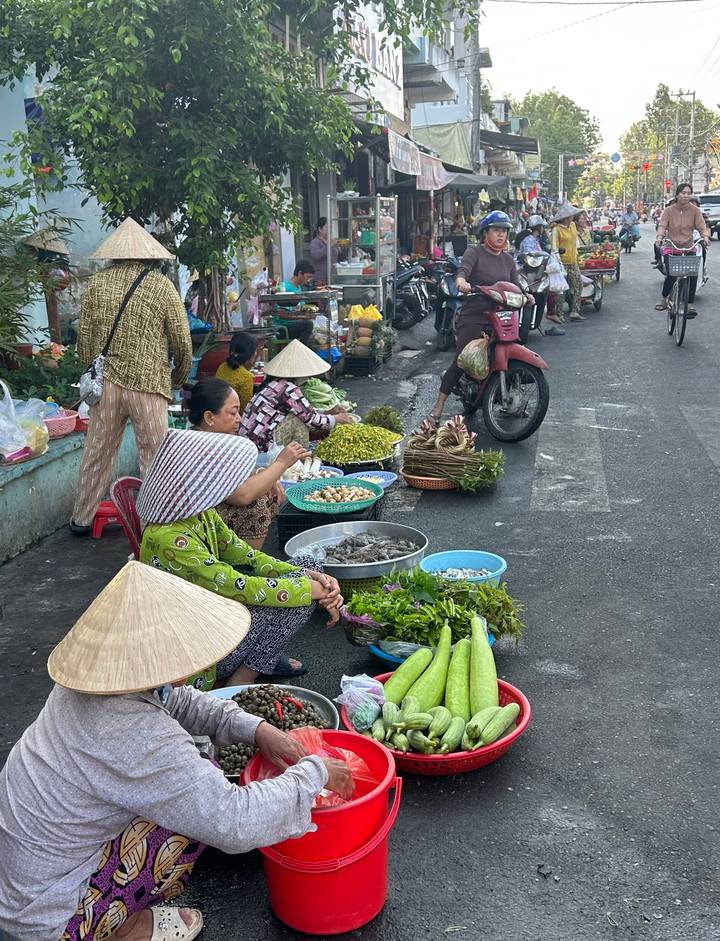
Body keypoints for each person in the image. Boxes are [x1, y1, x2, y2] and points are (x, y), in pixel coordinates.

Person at [0, 561, 352, 941]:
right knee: (193, 809)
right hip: (46, 917)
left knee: (191, 785)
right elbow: (233, 821)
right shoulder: (135, 734)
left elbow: (177, 700)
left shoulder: (98, 684)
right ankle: (120, 927)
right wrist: (314, 773)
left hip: (24, 875)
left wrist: (257, 728)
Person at [138, 429, 343, 684]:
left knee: (307, 565)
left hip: (218, 616)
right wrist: (307, 588)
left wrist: (314, 578)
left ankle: (257, 664)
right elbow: (238, 585)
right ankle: (240, 681)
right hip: (199, 650)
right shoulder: (168, 539)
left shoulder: (201, 515)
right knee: (297, 596)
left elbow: (249, 558)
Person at [71, 218, 192, 535]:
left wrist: (91, 374)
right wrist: (176, 380)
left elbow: (84, 341)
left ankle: (82, 518)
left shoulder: (97, 284)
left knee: (98, 451)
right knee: (154, 455)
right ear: (149, 254)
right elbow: (182, 342)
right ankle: (156, 522)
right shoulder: (161, 286)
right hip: (149, 385)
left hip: (107, 383)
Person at [428, 211, 526, 423]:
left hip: (503, 314)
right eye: (496, 230)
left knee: (513, 351)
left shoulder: (508, 260)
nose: (501, 235)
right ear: (485, 233)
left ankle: (506, 394)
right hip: (476, 314)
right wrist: (462, 282)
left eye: (504, 231)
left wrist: (526, 296)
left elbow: (516, 285)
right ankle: (438, 407)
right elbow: (463, 271)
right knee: (464, 359)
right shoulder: (475, 253)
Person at [188, 377, 307, 549]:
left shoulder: (212, 439)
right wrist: (281, 463)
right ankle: (245, 566)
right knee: (256, 504)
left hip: (206, 515)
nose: (239, 419)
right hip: (191, 527)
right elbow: (242, 495)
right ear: (209, 417)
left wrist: (262, 474)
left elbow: (230, 480)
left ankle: (243, 558)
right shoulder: (201, 446)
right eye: (233, 413)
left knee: (267, 488)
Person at [239, 340, 353, 453]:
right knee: (299, 421)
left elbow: (305, 411)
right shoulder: (288, 389)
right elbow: (312, 420)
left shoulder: (274, 384)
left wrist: (327, 412)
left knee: (297, 416)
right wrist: (337, 418)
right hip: (260, 446)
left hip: (249, 442)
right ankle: (301, 458)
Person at [654, 183, 710, 317]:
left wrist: (705, 237)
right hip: (671, 246)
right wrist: (660, 237)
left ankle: (689, 304)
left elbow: (702, 227)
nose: (686, 195)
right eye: (683, 193)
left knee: (692, 274)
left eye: (688, 193)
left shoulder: (695, 211)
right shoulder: (668, 211)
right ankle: (664, 298)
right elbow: (662, 226)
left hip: (689, 246)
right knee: (672, 274)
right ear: (677, 194)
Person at [550, 204, 584, 322]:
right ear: (566, 217)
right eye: (571, 216)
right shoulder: (556, 229)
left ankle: (575, 311)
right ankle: (559, 314)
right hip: (562, 264)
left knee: (578, 285)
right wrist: (558, 263)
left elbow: (575, 242)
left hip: (573, 262)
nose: (572, 217)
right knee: (561, 290)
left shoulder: (573, 225)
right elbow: (554, 248)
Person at [273, 260, 316, 344]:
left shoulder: (298, 288)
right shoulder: (284, 288)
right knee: (308, 325)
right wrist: (302, 318)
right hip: (283, 328)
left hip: (295, 326)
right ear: (300, 273)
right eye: (307, 277)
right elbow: (280, 314)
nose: (308, 280)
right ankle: (303, 351)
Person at [215, 331, 258, 413]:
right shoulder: (246, 377)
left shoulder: (222, 367)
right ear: (251, 355)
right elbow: (245, 409)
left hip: (217, 413)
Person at [309, 217, 337, 285]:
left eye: (330, 227)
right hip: (321, 279)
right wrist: (329, 246)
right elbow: (316, 255)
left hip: (332, 277)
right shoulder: (315, 242)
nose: (329, 230)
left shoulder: (329, 241)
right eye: (327, 227)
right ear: (320, 229)